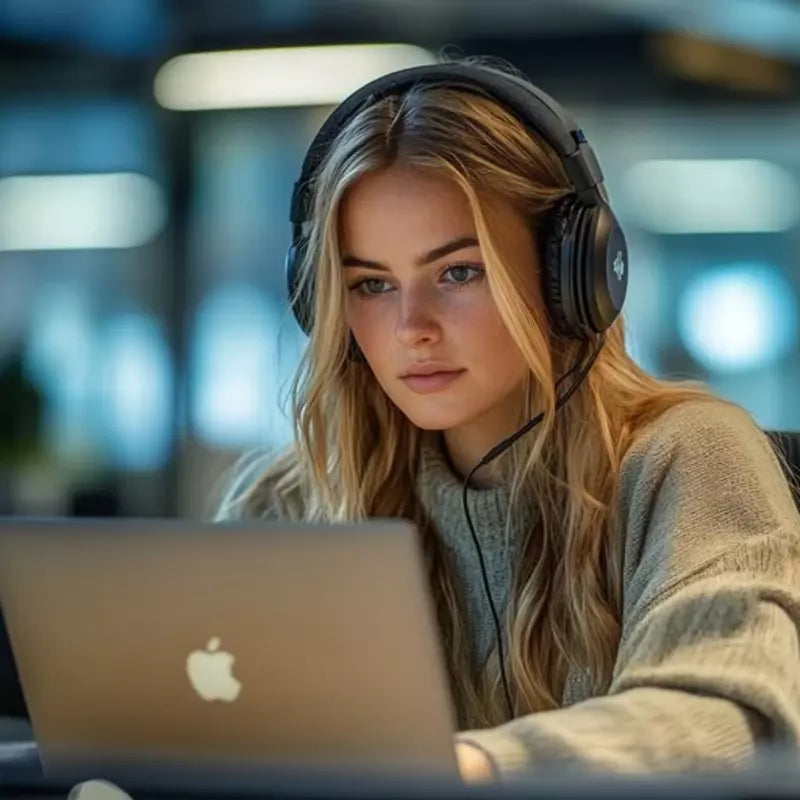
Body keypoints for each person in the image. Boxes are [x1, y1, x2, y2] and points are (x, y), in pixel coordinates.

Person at [215, 57, 800, 783]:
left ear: (569, 276)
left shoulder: (688, 457)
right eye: (371, 284)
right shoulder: (292, 502)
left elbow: (726, 718)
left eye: (458, 272)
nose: (411, 328)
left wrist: (468, 767)